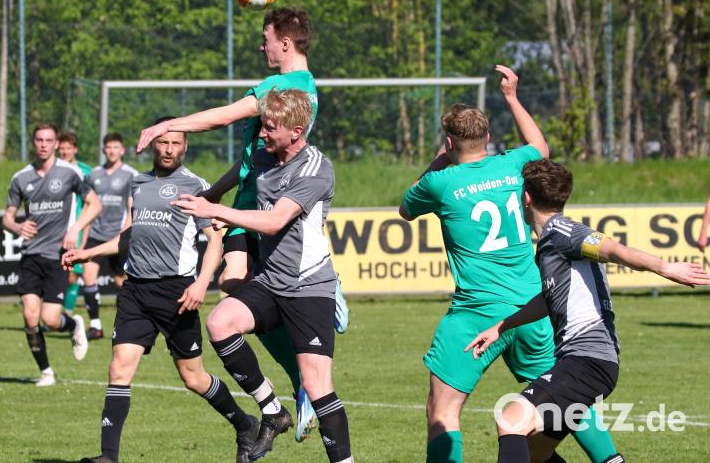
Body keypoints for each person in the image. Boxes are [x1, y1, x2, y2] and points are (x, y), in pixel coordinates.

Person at [136, 7, 346, 442]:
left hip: (262, 207)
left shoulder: (284, 86)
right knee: (234, 289)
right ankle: (280, 399)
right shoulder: (305, 88)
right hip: (248, 197)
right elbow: (252, 160)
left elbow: (223, 115)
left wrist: (169, 124)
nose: (261, 45)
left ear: (284, 42)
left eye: (265, 37)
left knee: (255, 289)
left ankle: (303, 366)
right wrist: (216, 193)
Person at [400, 66, 619, 463]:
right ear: (487, 138)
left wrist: (438, 163)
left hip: (476, 314)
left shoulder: (441, 182)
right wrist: (513, 97)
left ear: (449, 142)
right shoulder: (513, 165)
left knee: (443, 411)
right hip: (533, 308)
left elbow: (406, 209)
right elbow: (541, 145)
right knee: (564, 402)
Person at [465, 159, 709, 462]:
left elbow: (612, 249)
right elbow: (548, 299)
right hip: (584, 361)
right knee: (535, 452)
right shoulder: (551, 241)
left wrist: (665, 267)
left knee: (510, 421)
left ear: (525, 197)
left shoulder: (563, 232)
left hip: (588, 361)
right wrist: (501, 326)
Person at [63, 119, 260, 463]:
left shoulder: (195, 186)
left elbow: (214, 241)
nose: (169, 149)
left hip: (177, 293)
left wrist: (201, 283)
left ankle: (244, 424)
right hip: (135, 290)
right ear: (153, 143)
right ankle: (109, 456)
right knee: (118, 369)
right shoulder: (137, 183)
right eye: (163, 142)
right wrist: (88, 252)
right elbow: (130, 235)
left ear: (185, 148)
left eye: (176, 144)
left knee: (193, 377)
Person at [174, 89, 353, 463]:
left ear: (297, 131)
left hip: (308, 287)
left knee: (318, 386)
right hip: (271, 281)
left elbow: (273, 222)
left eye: (271, 127)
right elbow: (241, 171)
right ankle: (272, 409)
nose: (263, 133)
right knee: (221, 322)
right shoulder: (262, 153)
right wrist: (212, 195)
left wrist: (215, 210)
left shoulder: (315, 168)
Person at [3, 123, 101, 387]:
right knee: (30, 316)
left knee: (50, 318)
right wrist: (16, 226)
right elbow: (7, 217)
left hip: (58, 254)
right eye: (39, 140)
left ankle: (74, 325)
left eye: (49, 140)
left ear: (56, 143)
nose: (44, 144)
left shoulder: (70, 173)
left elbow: (95, 204)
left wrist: (76, 230)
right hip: (31, 255)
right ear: (32, 143)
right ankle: (46, 372)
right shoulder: (20, 178)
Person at [80, 132, 140, 340]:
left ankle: (122, 324)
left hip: (118, 237)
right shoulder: (94, 174)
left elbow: (132, 206)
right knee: (88, 276)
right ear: (104, 150)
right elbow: (88, 205)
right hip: (96, 233)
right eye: (108, 147)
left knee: (121, 283)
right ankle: (95, 325)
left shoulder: (131, 174)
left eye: (116, 147)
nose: (112, 151)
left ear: (122, 150)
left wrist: (126, 232)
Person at [57, 131, 92, 314]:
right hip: (55, 229)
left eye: (68, 148)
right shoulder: (51, 170)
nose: (64, 152)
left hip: (76, 229)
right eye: (61, 148)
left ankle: (67, 314)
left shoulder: (86, 172)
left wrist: (84, 230)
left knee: (72, 274)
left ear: (75, 149)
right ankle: (53, 314)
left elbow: (91, 204)